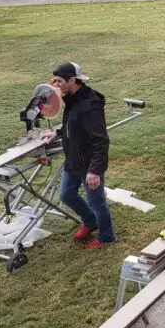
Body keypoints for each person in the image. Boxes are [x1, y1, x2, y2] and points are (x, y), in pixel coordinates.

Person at [49, 61, 115, 246]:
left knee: (97, 202)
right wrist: (57, 132)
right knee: (66, 195)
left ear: (72, 80)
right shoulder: (72, 98)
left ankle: (107, 237)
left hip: (88, 163)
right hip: (73, 160)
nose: (56, 85)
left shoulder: (90, 105)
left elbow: (101, 140)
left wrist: (94, 170)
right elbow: (73, 123)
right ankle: (90, 221)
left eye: (59, 81)